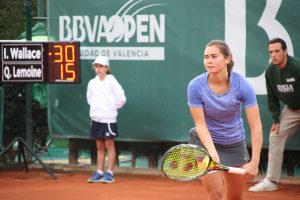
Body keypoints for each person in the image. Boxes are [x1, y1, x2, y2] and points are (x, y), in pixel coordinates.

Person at [188, 40, 263, 199]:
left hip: (234, 144)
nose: (209, 61)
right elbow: (200, 124)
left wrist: (255, 162)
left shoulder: (242, 86)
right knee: (216, 195)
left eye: (214, 56)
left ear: (227, 59)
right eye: (206, 57)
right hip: (206, 143)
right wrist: (212, 153)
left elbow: (256, 126)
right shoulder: (195, 86)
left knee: (234, 197)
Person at [249, 38, 300, 192]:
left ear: (285, 52)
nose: (274, 55)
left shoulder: (297, 66)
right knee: (275, 135)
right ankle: (271, 180)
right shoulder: (270, 71)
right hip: (292, 109)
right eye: (271, 52)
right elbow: (272, 97)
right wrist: (276, 119)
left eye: (277, 51)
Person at [86, 56, 126, 183]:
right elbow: (90, 99)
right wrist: (97, 110)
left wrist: (110, 108)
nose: (98, 69)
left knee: (109, 145)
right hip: (96, 118)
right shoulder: (92, 83)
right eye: (96, 66)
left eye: (101, 66)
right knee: (99, 146)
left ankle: (109, 173)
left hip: (108, 119)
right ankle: (99, 172)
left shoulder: (111, 80)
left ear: (106, 68)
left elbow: (122, 98)